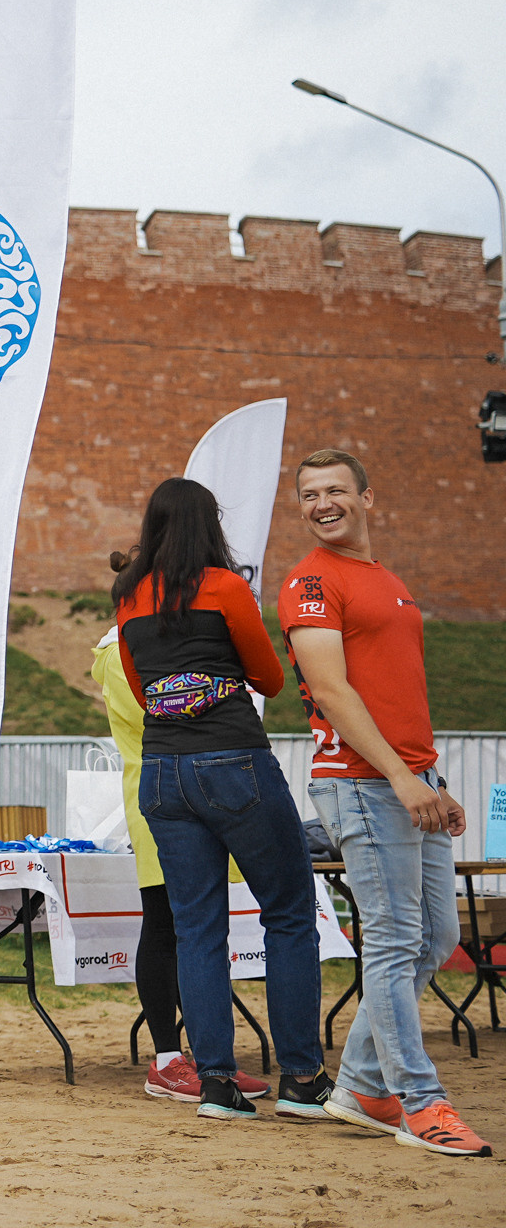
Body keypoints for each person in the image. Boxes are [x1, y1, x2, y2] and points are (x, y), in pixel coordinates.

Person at [281, 449, 489, 1157]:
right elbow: (333, 691)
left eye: (336, 490)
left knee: (436, 938)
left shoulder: (387, 583)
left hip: (406, 780)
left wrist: (428, 777)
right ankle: (420, 1103)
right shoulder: (311, 580)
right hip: (361, 783)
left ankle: (363, 1086)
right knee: (397, 941)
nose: (322, 502)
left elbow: (397, 688)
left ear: (370, 498)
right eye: (309, 495)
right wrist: (402, 778)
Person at [115, 477, 327, 1121]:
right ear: (211, 526)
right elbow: (269, 677)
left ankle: (216, 1085)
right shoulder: (226, 588)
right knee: (289, 911)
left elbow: (138, 684)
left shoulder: (127, 597)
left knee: (195, 928)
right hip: (234, 760)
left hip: (162, 771)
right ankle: (299, 1078)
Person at [94, 624, 271, 1106]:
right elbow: (167, 716)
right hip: (159, 794)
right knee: (165, 924)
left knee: (201, 926)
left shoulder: (160, 641)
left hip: (200, 792)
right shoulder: (120, 652)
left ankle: (213, 1062)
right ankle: (168, 1060)